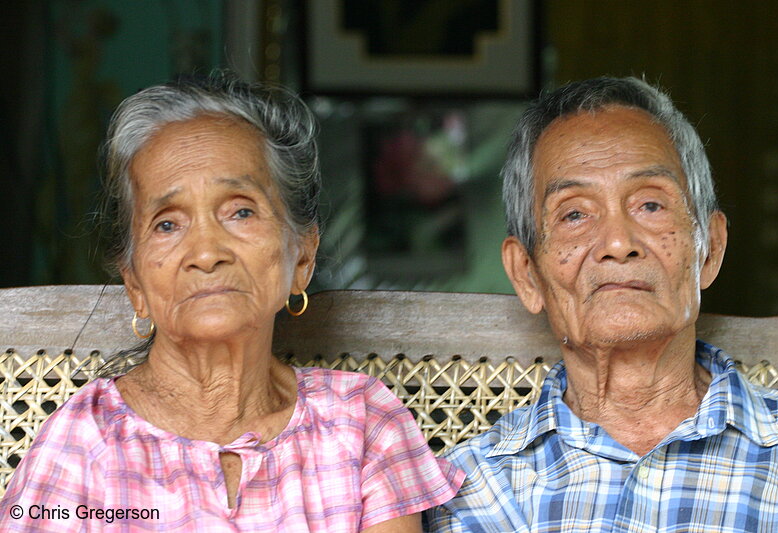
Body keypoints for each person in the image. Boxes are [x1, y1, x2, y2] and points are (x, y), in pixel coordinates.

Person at [0, 76, 462, 532]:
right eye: (167, 224)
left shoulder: (361, 421)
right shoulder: (83, 441)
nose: (206, 253)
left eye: (240, 211)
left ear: (301, 256)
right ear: (134, 282)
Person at [425, 77, 778, 532]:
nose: (619, 243)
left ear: (711, 248)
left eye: (650, 205)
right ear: (527, 273)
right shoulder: (473, 492)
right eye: (575, 214)